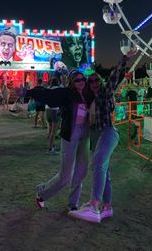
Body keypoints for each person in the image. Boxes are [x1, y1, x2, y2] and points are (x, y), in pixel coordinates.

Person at [68, 49, 137, 223]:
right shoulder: (89, 100)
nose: (94, 83)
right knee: (104, 171)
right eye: (90, 81)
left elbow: (114, 76)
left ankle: (93, 205)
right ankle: (107, 207)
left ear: (101, 81)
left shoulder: (106, 93)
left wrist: (124, 58)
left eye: (96, 80)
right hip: (96, 136)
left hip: (108, 131)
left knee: (98, 163)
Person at [35, 71, 90, 212]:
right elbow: (50, 96)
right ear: (71, 82)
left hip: (85, 135)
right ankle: (42, 192)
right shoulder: (67, 94)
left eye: (83, 79)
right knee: (65, 175)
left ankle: (73, 204)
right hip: (70, 135)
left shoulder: (88, 93)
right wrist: (31, 92)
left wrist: (125, 60)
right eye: (77, 80)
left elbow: (108, 88)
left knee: (80, 171)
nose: (81, 82)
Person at [45, 77, 61, 154]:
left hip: (47, 110)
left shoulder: (48, 89)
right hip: (55, 110)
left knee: (50, 130)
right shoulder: (59, 89)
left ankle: (52, 145)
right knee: (54, 132)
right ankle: (50, 148)